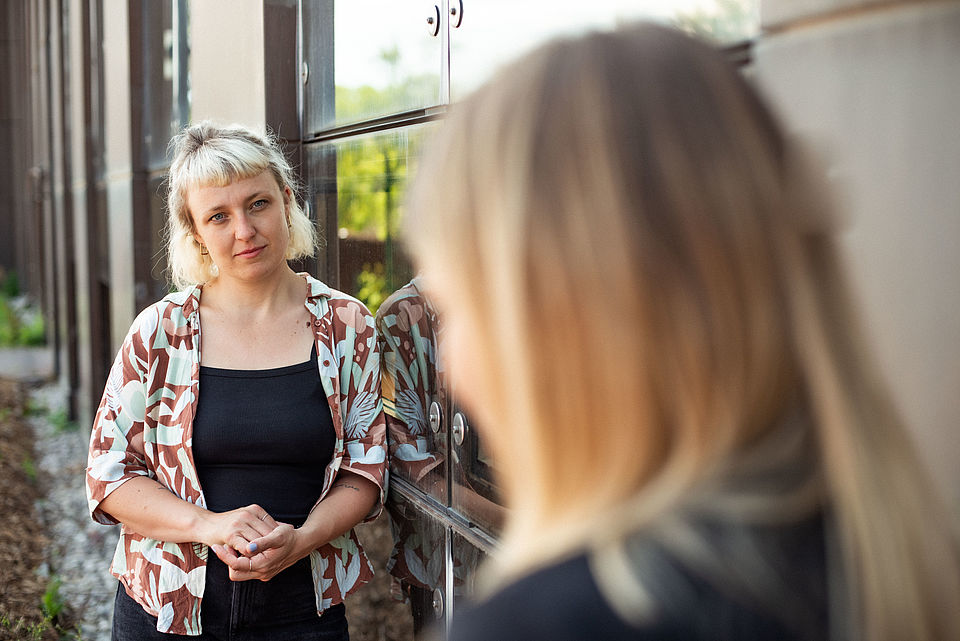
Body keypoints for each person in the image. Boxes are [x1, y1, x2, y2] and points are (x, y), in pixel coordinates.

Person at [403, 22, 960, 641]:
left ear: (566, 322)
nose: (451, 364)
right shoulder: (878, 562)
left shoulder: (544, 624)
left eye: (463, 308)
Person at [85, 122, 387, 640]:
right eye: (218, 216)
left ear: (286, 200)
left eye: (258, 204)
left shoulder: (346, 325)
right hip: (167, 611)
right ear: (196, 232)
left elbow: (367, 467)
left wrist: (304, 539)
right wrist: (210, 526)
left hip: (301, 612)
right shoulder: (160, 330)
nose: (244, 231)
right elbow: (108, 475)